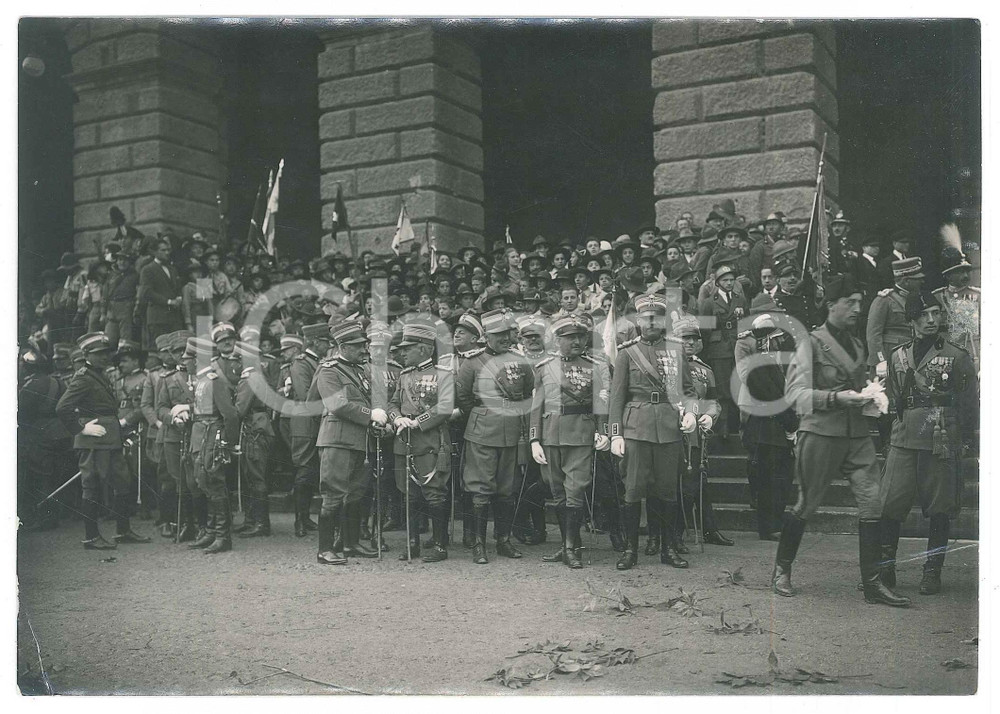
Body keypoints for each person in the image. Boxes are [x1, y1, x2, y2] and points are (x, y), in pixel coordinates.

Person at [773, 275, 910, 607]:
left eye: (860, 302)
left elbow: (860, 385)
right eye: (850, 302)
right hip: (820, 433)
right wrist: (836, 398)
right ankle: (782, 569)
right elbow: (795, 395)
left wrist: (872, 396)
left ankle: (873, 583)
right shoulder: (810, 343)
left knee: (873, 502)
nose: (857, 308)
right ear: (831, 304)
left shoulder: (858, 344)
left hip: (858, 435)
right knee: (806, 504)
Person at [878, 291, 977, 595]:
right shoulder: (898, 355)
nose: (932, 320)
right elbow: (894, 397)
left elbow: (968, 400)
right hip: (904, 437)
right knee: (890, 504)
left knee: (940, 507)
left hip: (940, 436)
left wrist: (968, 438)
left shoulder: (957, 355)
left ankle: (932, 572)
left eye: (936, 313)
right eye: (924, 315)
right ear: (911, 320)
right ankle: (885, 571)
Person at [609, 295, 698, 571]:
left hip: (669, 428)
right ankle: (630, 550)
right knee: (633, 490)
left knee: (668, 490)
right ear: (638, 320)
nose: (650, 322)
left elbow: (689, 391)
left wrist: (693, 412)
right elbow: (616, 397)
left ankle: (668, 549)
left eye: (656, 318)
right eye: (646, 318)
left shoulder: (676, 350)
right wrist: (616, 434)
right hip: (636, 427)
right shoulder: (626, 353)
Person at [55, 331, 150, 549]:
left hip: (110, 438)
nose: (105, 357)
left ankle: (123, 530)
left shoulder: (99, 374)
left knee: (122, 482)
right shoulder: (83, 377)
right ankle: (91, 537)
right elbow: (63, 407)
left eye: (106, 352)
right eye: (99, 353)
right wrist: (81, 428)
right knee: (92, 486)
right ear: (87, 354)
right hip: (94, 439)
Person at [529, 314, 610, 569]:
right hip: (551, 433)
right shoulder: (543, 367)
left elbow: (602, 403)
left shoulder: (595, 366)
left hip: (580, 433)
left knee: (575, 489)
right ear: (558, 340)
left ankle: (570, 548)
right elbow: (536, 406)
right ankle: (566, 545)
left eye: (581, 336)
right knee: (557, 490)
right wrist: (534, 439)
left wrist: (603, 431)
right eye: (570, 337)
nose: (577, 341)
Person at [457, 308, 535, 565]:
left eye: (508, 333)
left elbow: (526, 392)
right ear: (486, 336)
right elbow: (464, 398)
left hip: (511, 429)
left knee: (507, 488)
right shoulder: (471, 361)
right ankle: (479, 543)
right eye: (498, 333)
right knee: (480, 487)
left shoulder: (519, 360)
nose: (505, 337)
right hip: (482, 430)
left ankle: (503, 540)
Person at [315, 321, 387, 565]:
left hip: (360, 441)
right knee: (333, 493)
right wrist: (371, 415)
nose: (364, 349)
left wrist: (378, 418)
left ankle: (350, 543)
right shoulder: (328, 371)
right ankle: (325, 549)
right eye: (357, 346)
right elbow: (337, 404)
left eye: (364, 344)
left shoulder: (360, 370)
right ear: (342, 346)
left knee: (356, 494)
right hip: (338, 440)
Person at [388, 321, 455, 562]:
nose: (402, 352)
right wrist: (397, 419)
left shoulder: (443, 374)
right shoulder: (403, 375)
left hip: (431, 440)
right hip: (405, 440)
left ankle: (439, 545)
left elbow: (445, 407)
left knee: (434, 493)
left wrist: (420, 421)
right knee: (409, 494)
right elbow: (392, 403)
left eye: (408, 348)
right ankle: (412, 543)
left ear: (425, 349)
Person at [734, 296, 798, 540]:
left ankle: (772, 516)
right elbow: (746, 373)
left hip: (783, 400)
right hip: (756, 402)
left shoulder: (782, 337)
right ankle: (760, 505)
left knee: (777, 466)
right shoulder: (747, 341)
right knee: (759, 458)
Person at [672, 316, 733, 548]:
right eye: (683, 338)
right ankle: (668, 534)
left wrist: (710, 416)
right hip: (671, 429)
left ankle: (707, 529)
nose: (689, 342)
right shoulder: (667, 367)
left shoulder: (705, 370)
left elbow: (713, 401)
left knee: (695, 481)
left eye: (693, 338)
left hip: (695, 434)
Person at [186, 336, 240, 554]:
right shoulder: (201, 380)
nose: (185, 361)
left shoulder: (214, 380)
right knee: (204, 483)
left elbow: (231, 415)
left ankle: (222, 536)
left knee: (215, 483)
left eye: (189, 356)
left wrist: (229, 443)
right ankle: (210, 531)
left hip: (212, 435)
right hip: (201, 435)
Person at [232, 341, 276, 538]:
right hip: (256, 428)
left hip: (254, 430)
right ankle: (252, 520)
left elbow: (239, 410)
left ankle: (260, 523)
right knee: (251, 476)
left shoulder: (250, 378)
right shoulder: (255, 375)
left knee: (256, 477)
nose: (235, 362)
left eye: (237, 358)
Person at [698, 264, 747, 438]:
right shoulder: (710, 302)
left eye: (732, 280)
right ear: (717, 283)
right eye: (725, 280)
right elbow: (704, 329)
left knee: (738, 384)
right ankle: (723, 426)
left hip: (737, 345)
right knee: (722, 387)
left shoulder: (740, 299)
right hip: (718, 349)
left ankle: (738, 424)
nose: (729, 283)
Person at [932, 250, 980, 370]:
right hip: (945, 353)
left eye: (966, 271)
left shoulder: (978, 295)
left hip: (973, 351)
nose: (965, 276)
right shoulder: (937, 296)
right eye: (960, 272)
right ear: (948, 276)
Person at [137, 239, 183, 350]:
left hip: (174, 317)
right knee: (160, 350)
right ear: (154, 252)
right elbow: (146, 292)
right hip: (158, 317)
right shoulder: (147, 270)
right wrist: (168, 302)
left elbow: (177, 287)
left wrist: (179, 297)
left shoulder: (172, 269)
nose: (167, 252)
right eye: (163, 250)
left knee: (177, 348)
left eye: (168, 250)